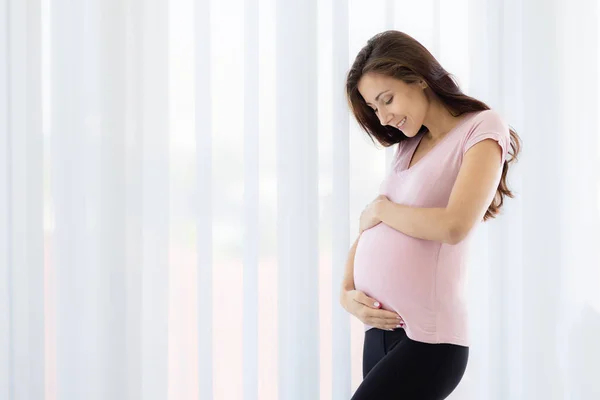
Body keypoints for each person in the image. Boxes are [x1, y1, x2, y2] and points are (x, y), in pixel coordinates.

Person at [339, 30, 522, 399]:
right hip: (380, 332)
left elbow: (454, 226)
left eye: (386, 99)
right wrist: (346, 292)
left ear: (418, 76)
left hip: (429, 339)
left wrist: (383, 209)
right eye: (374, 108)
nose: (384, 116)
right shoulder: (408, 146)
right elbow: (370, 226)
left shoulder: (482, 128)